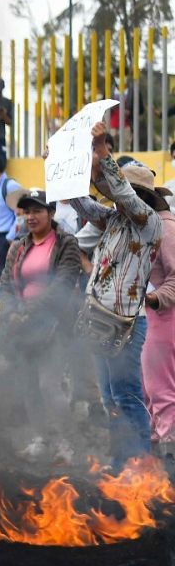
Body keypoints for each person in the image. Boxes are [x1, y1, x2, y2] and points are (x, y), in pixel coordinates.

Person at [65, 139, 164, 468]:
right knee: (110, 395)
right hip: (101, 316)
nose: (120, 197)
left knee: (125, 394)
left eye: (128, 193)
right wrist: (62, 169)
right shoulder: (114, 219)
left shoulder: (149, 221)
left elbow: (123, 194)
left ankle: (140, 466)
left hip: (127, 323)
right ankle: (124, 463)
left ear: (142, 197)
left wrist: (104, 155)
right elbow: (83, 205)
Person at [0, 189, 84, 457]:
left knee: (49, 384)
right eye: (27, 211)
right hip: (22, 326)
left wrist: (29, 311)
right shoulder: (19, 245)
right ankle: (41, 437)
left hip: (53, 325)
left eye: (37, 210)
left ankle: (66, 443)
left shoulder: (66, 243)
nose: (31, 216)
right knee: (29, 384)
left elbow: (64, 282)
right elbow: (5, 285)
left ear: (51, 213)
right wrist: (11, 312)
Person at [142, 185, 175, 464]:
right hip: (157, 316)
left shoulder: (165, 229)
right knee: (153, 391)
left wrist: (152, 297)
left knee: (161, 391)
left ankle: (170, 464)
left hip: (165, 317)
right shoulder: (152, 228)